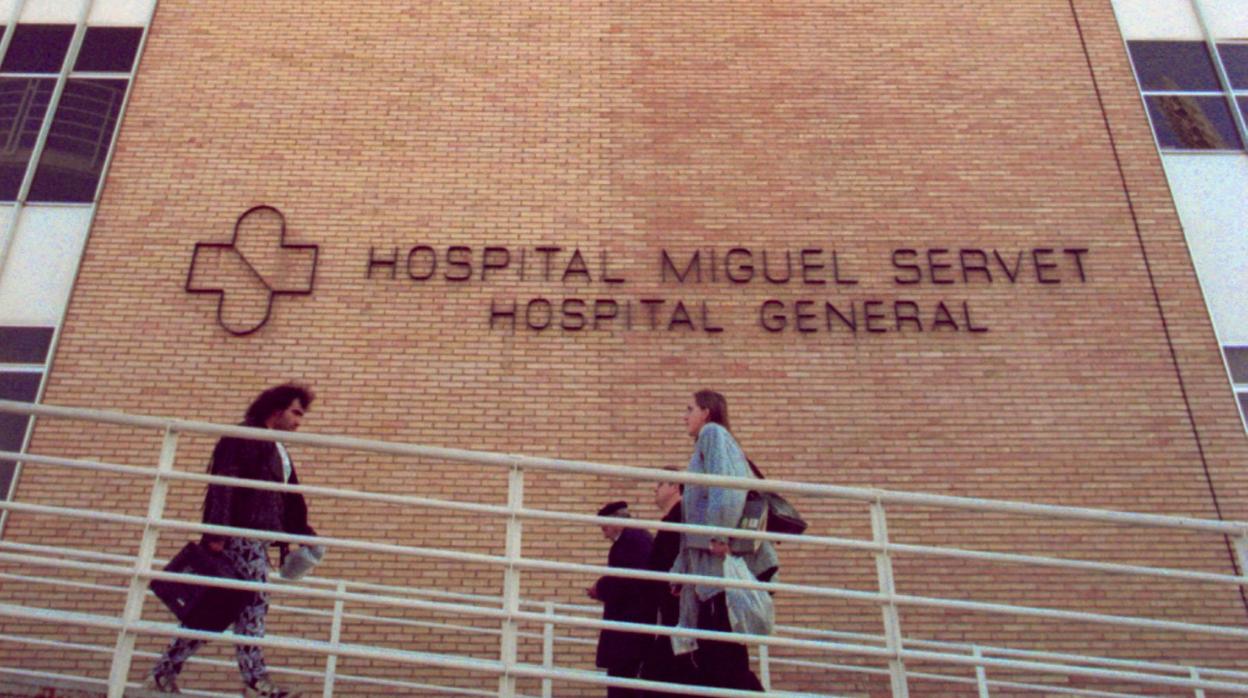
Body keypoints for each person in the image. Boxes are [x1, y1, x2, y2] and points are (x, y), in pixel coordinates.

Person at [145, 383, 318, 697]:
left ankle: (163, 673)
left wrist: (302, 533)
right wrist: (216, 534)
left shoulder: (276, 446)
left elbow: (289, 499)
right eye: (295, 413)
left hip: (255, 539)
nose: (298, 422)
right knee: (254, 602)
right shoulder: (243, 437)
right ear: (276, 409)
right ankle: (255, 682)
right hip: (240, 537)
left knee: (218, 608)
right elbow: (222, 485)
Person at [670, 390, 777, 692]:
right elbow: (693, 522)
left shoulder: (713, 434)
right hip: (710, 576)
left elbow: (727, 489)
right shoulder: (708, 443)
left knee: (724, 664)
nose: (684, 416)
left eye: (689, 409)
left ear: (706, 412)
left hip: (718, 575)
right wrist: (681, 570)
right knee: (720, 661)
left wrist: (719, 534)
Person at [639, 467, 697, 697]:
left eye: (660, 484)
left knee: (663, 675)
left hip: (677, 612)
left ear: (675, 486)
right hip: (673, 613)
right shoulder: (677, 519)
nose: (655, 489)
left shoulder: (679, 519)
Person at [588, 500, 655, 698]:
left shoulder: (630, 543)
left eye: (605, 527)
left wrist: (600, 589)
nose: (604, 534)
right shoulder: (637, 539)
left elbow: (624, 581)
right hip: (633, 630)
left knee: (622, 684)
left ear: (616, 521)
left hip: (628, 632)